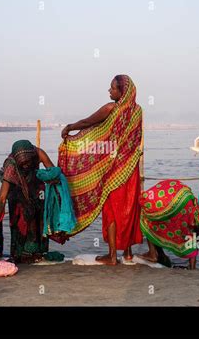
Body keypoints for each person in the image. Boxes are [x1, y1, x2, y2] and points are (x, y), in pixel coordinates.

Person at [59, 75, 143, 265]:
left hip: (114, 171)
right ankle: (128, 253)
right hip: (131, 168)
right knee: (129, 208)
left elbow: (87, 122)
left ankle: (112, 256)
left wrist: (69, 128)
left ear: (122, 91)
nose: (109, 91)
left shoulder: (111, 108)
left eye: (113, 88)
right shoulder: (138, 111)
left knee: (111, 210)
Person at [0, 140, 55, 264]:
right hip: (16, 189)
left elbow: (52, 171)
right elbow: (2, 198)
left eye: (28, 162)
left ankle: (38, 253)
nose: (26, 165)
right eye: (22, 163)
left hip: (35, 185)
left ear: (32, 155)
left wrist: (52, 179)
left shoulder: (38, 153)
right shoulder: (11, 166)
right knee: (20, 220)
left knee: (39, 218)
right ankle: (19, 254)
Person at [138, 179, 199, 269]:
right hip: (179, 198)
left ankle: (153, 254)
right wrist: (196, 240)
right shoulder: (194, 209)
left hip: (166, 200)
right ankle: (192, 266)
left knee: (147, 220)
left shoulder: (146, 201)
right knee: (190, 231)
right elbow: (198, 227)